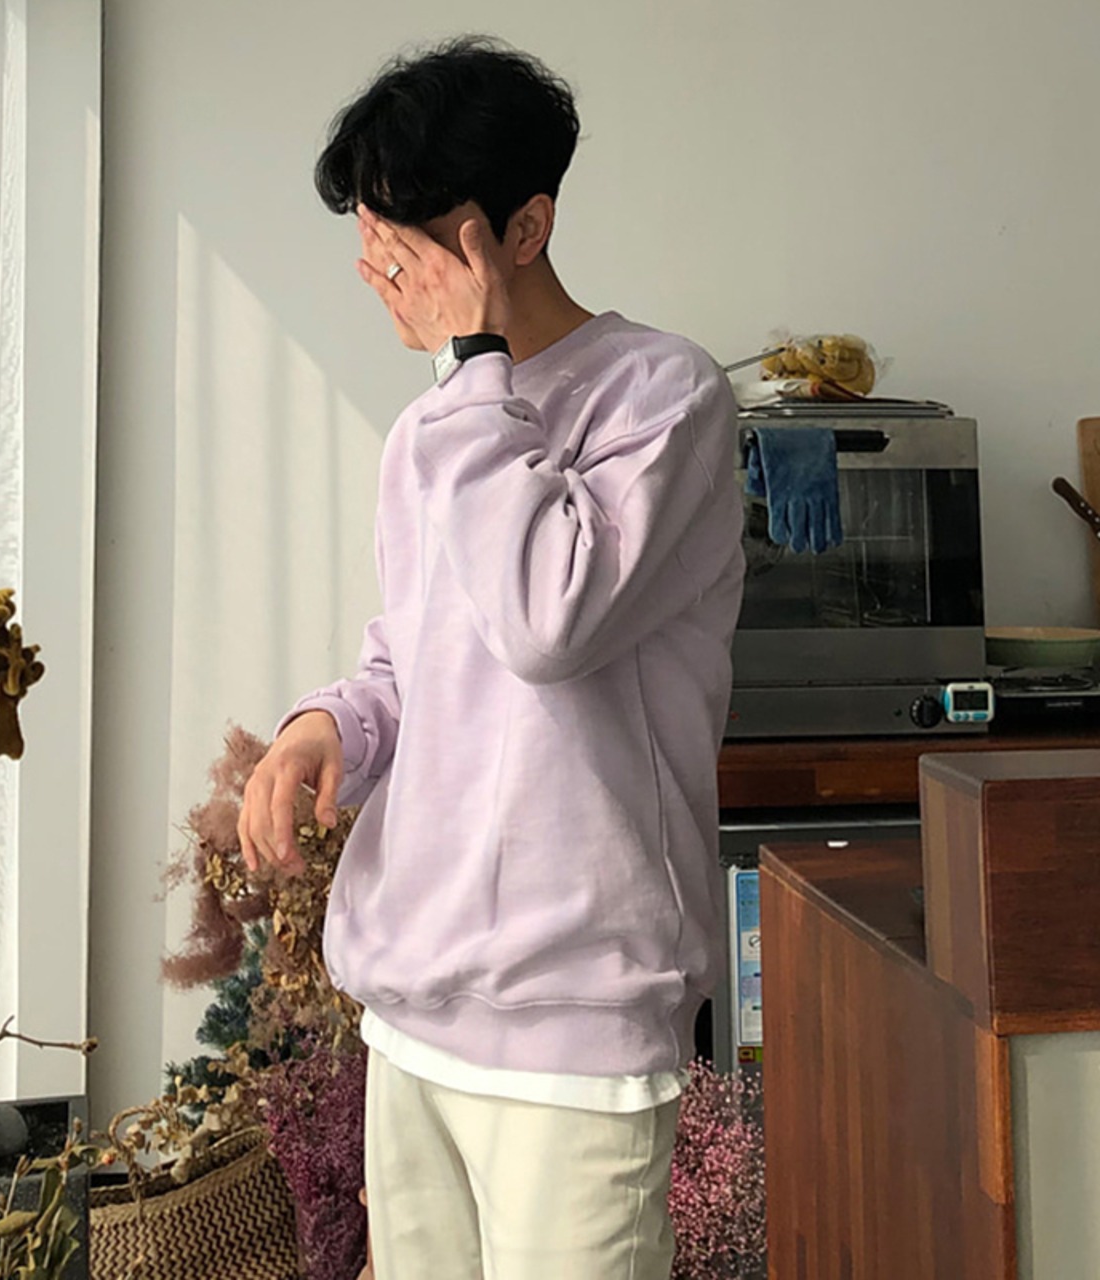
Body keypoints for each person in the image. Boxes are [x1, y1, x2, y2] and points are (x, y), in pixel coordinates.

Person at [237, 35, 744, 1280]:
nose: (380, 276)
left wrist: (473, 371)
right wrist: (330, 724)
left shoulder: (662, 396)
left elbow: (544, 621)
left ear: (524, 229)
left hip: (577, 1024)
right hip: (414, 1009)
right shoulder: (431, 431)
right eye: (371, 242)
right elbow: (418, 655)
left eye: (408, 247)